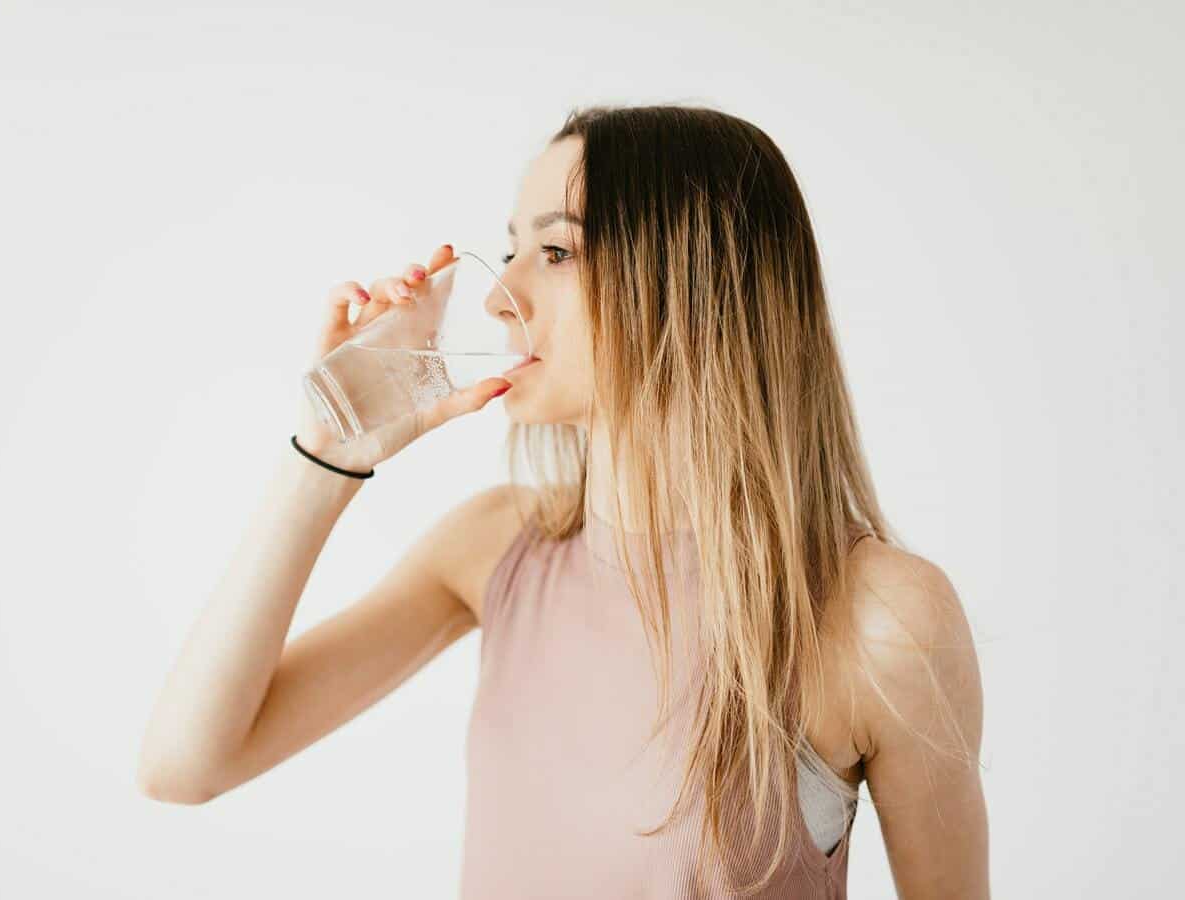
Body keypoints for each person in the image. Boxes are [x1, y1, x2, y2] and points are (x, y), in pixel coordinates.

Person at [137, 104, 989, 899]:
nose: (498, 295)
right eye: (510, 250)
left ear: (695, 279)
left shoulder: (881, 618)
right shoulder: (496, 547)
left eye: (557, 253)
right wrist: (324, 453)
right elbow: (183, 766)